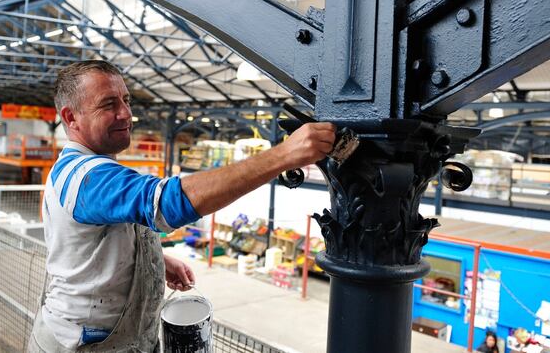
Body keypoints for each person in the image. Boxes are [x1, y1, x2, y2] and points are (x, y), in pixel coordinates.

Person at [27, 60, 335, 352]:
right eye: (108, 104)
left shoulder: (87, 170)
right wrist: (284, 155)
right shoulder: (86, 177)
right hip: (85, 345)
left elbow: (94, 242)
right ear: (71, 117)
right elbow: (170, 203)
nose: (125, 113)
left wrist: (153, 260)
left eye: (126, 100)